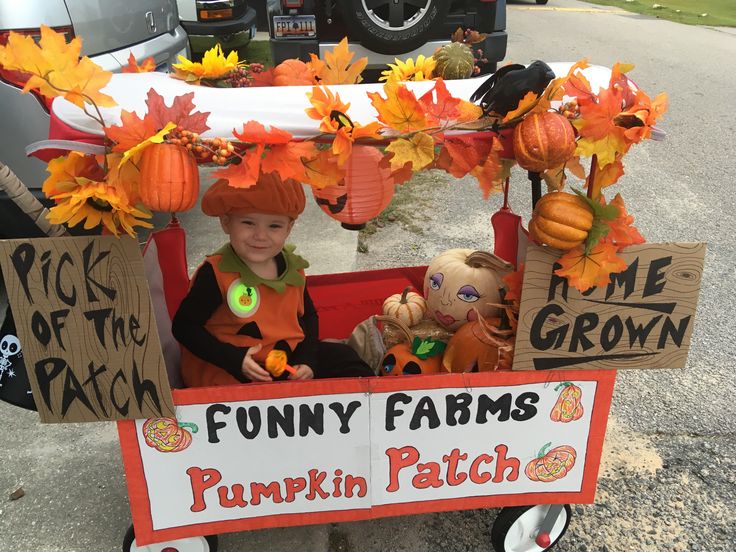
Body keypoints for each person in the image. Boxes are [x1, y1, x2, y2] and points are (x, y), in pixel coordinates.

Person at [172, 173, 373, 388]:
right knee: (250, 394)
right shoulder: (216, 274)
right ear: (226, 223)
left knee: (343, 356)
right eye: (248, 222)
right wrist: (233, 358)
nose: (260, 235)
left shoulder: (292, 268)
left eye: (274, 226)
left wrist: (306, 360)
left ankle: (376, 401)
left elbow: (308, 317)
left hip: (284, 360)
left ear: (289, 228)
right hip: (232, 368)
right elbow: (184, 327)